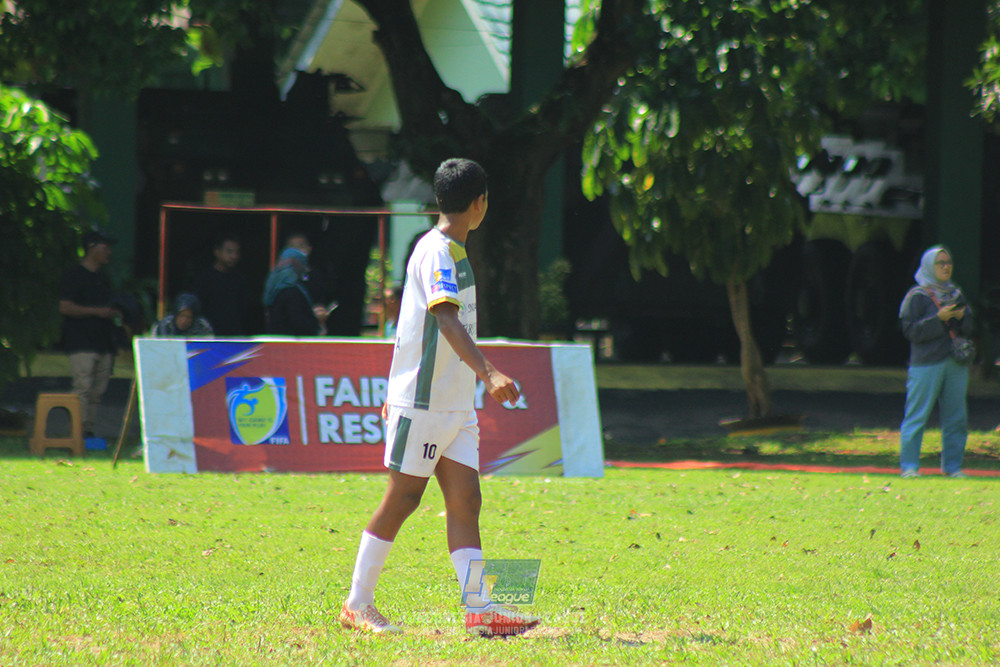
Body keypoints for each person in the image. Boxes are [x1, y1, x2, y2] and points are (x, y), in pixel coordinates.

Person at [339, 158, 539, 637]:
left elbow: (417, 328)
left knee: (467, 500)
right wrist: (489, 373)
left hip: (454, 404)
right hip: (425, 402)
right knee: (403, 497)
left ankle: (481, 611)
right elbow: (445, 320)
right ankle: (357, 603)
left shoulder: (451, 250)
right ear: (480, 203)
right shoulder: (438, 252)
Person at [898, 245, 973, 478]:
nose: (945, 267)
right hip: (926, 364)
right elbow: (910, 331)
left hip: (955, 363)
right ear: (930, 266)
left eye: (948, 262)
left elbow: (970, 328)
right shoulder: (917, 295)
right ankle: (909, 466)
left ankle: (953, 467)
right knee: (917, 415)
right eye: (940, 263)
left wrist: (962, 318)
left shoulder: (956, 294)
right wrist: (938, 320)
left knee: (956, 417)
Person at [58, 229, 122, 438]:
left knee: (97, 392)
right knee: (82, 389)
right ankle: (75, 432)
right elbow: (65, 307)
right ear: (91, 247)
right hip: (81, 342)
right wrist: (97, 312)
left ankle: (88, 431)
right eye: (105, 247)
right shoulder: (73, 275)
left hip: (103, 342)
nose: (109, 252)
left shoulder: (104, 278)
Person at [262, 246, 329, 335]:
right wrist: (316, 320)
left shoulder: (274, 288)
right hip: (289, 344)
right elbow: (298, 323)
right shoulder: (292, 292)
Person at [194, 233, 250, 336]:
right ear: (217, 252)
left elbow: (242, 309)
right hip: (209, 335)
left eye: (237, 252)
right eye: (229, 252)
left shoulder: (240, 279)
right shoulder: (205, 278)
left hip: (234, 335)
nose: (234, 256)